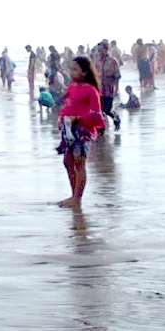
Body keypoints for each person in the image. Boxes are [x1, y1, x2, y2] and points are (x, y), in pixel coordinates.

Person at [56, 57, 106, 208]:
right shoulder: (72, 87)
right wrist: (61, 117)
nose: (71, 72)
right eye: (70, 69)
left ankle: (77, 198)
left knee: (79, 162)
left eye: (75, 69)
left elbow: (97, 114)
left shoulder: (91, 90)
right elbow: (67, 104)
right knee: (68, 162)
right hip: (68, 129)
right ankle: (73, 195)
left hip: (82, 130)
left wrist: (78, 118)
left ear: (84, 72)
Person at [95, 40, 121, 131]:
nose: (99, 52)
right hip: (99, 90)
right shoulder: (97, 61)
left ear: (106, 50)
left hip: (109, 89)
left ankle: (116, 119)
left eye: (101, 50)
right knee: (99, 110)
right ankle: (100, 129)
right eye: (98, 50)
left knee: (107, 109)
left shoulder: (112, 61)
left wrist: (116, 90)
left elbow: (117, 76)